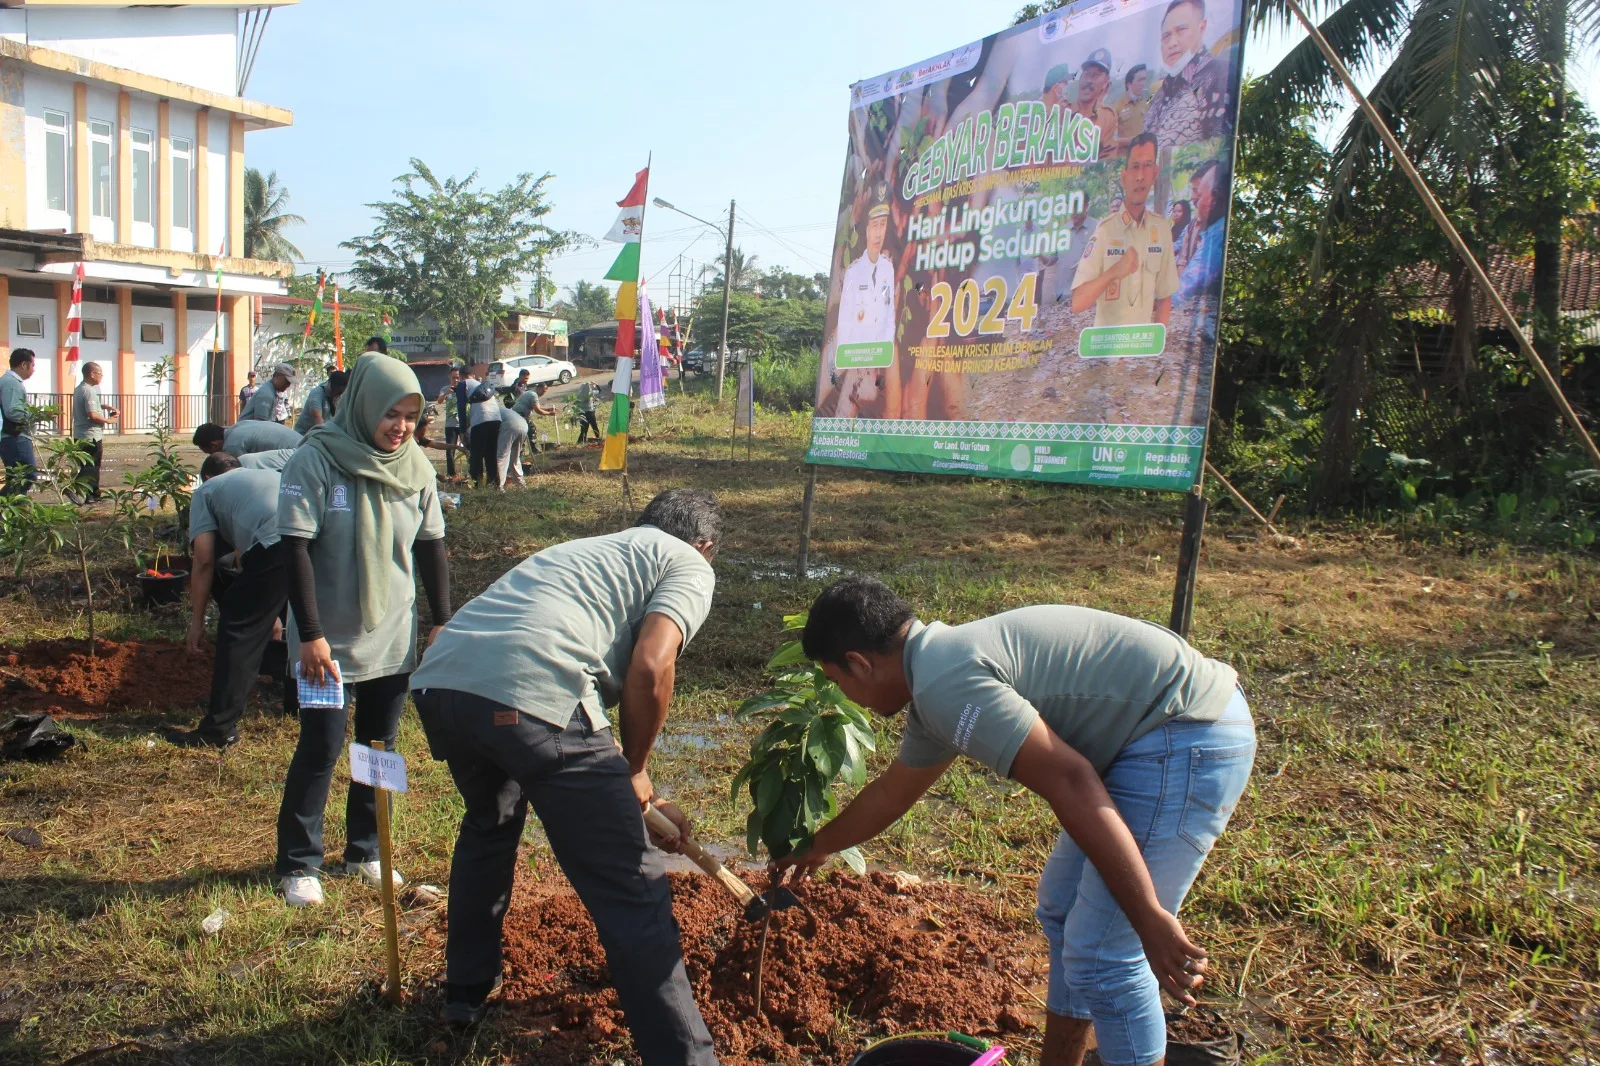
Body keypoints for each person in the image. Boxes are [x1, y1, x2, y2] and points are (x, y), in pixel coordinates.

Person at [775, 577, 1256, 1066]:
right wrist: (820, 844)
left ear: (859, 663)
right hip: (1164, 731)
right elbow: (892, 792)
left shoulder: (946, 684)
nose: (849, 697)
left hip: (1185, 735)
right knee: (1064, 912)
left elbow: (1070, 781)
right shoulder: (935, 673)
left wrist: (1148, 914)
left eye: (839, 683)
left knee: (1106, 957)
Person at [410, 488, 720, 1057]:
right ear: (705, 546)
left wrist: (621, 784)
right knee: (631, 884)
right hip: (527, 692)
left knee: (490, 822)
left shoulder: (591, 551)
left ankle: (465, 992)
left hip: (443, 684)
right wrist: (634, 769)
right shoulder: (689, 564)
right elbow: (651, 667)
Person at [273, 353, 451, 908]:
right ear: (364, 405)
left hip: (391, 639)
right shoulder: (317, 460)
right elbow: (294, 547)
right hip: (326, 644)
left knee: (380, 747)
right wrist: (311, 632)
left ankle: (367, 851)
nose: (400, 426)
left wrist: (441, 620)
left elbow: (430, 546)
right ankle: (299, 862)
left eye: (409, 415)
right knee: (322, 746)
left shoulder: (416, 468)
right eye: (390, 413)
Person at [167, 452, 294, 749]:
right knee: (302, 625)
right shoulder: (263, 475)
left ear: (206, 477)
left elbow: (204, 561)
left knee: (238, 627)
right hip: (317, 535)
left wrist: (196, 623)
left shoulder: (206, 491)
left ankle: (218, 729)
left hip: (279, 541)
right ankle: (299, 704)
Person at [1071, 133, 1178, 329]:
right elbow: (1078, 303)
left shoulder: (1161, 230)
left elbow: (1165, 296)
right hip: (1103, 353)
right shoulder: (1105, 230)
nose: (1140, 176)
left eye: (1147, 166)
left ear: (1155, 173)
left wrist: (1155, 348)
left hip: (1140, 351)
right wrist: (1114, 271)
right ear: (1124, 176)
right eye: (1135, 167)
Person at [824, 181, 897, 420]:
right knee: (845, 413)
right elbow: (846, 322)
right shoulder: (855, 272)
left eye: (883, 225)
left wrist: (880, 361)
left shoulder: (888, 269)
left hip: (879, 362)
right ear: (866, 230)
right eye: (874, 225)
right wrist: (858, 361)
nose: (878, 232)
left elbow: (890, 320)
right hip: (856, 359)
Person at [1144, 0, 1235, 150]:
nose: (1172, 43)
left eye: (1181, 30)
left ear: (1202, 27)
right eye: (1166, 36)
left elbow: (1219, 152)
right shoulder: (1159, 95)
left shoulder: (1218, 75)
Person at [70, 361, 118, 501]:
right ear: (92, 374)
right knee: (91, 466)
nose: (101, 377)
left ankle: (91, 495)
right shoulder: (89, 390)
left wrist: (105, 406)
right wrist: (108, 421)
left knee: (90, 465)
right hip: (90, 435)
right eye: (100, 374)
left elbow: (91, 406)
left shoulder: (80, 389)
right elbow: (92, 414)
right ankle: (73, 487)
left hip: (81, 434)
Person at [1041, 206, 1101, 306]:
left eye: (1077, 209)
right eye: (1071, 210)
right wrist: (1039, 255)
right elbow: (1051, 260)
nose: (1074, 213)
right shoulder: (1062, 231)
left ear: (1086, 206)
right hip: (1062, 294)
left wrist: (1086, 262)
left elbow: (1104, 256)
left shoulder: (1097, 227)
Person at [1, 349, 38, 497]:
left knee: (18, 478)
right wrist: (35, 416)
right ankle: (8, 511)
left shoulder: (9, 382)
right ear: (24, 364)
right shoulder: (11, 383)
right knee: (25, 476)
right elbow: (13, 411)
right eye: (33, 365)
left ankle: (14, 515)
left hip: (13, 437)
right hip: (15, 436)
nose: (34, 370)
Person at [191, 419, 301, 457]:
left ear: (214, 445)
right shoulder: (239, 426)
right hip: (302, 443)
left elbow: (239, 472)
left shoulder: (233, 445)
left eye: (210, 453)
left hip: (295, 454)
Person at [466, 381, 503, 488]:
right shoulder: (484, 385)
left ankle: (477, 484)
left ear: (462, 376)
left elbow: (460, 407)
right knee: (491, 454)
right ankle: (493, 483)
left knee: (476, 456)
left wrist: (462, 430)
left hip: (480, 422)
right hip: (496, 420)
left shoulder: (463, 384)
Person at [1114, 64, 1151, 156]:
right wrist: (1131, 141)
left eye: (1144, 79)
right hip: (1124, 160)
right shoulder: (1116, 108)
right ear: (1129, 84)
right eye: (1139, 80)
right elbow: (1110, 140)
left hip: (1144, 157)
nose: (1143, 83)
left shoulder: (1145, 106)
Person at [437, 367, 463, 479]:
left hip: (462, 423)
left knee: (467, 447)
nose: (456, 380)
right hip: (450, 425)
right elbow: (439, 400)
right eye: (453, 378)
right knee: (450, 450)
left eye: (458, 377)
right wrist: (447, 393)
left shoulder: (463, 388)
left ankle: (473, 472)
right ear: (449, 377)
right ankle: (452, 474)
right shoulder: (445, 388)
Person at [573, 379, 601, 443]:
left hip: (582, 413)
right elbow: (599, 391)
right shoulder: (590, 393)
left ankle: (581, 441)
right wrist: (596, 385)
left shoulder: (579, 395)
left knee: (584, 429)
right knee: (594, 427)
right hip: (590, 412)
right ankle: (598, 439)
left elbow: (576, 403)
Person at [1169, 200, 1193, 269]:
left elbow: (1178, 246)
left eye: (1179, 211)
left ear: (1186, 213)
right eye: (1174, 211)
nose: (1176, 214)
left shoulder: (1188, 228)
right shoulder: (1173, 228)